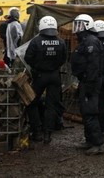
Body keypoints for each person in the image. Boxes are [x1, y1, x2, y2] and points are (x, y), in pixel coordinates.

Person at [24, 16, 67, 144]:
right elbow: (63, 59)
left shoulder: (36, 41)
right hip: (55, 76)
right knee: (51, 105)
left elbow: (28, 58)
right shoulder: (61, 42)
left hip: (39, 76)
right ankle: (48, 134)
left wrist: (36, 67)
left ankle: (37, 132)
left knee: (32, 102)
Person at [70, 14, 104, 155]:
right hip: (85, 81)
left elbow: (93, 65)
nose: (76, 29)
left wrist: (90, 84)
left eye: (79, 25)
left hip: (90, 81)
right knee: (85, 112)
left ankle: (98, 144)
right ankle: (90, 140)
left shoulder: (91, 41)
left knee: (90, 112)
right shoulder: (86, 40)